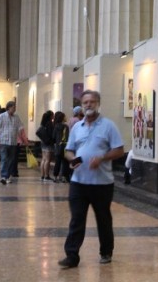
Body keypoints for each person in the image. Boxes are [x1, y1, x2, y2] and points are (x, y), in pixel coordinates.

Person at [59, 90, 125, 269]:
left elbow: (119, 150)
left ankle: (106, 251)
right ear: (82, 105)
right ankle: (71, 256)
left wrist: (102, 158)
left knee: (103, 219)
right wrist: (72, 159)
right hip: (78, 183)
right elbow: (68, 150)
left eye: (92, 102)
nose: (89, 105)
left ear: (98, 104)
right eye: (86, 102)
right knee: (77, 219)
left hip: (102, 184)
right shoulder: (76, 128)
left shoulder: (108, 126)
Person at [0, 101, 28, 184]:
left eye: (15, 107)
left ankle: (8, 176)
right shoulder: (2, 116)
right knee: (4, 159)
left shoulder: (16, 117)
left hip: (13, 142)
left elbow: (20, 128)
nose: (15, 109)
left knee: (11, 160)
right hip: (3, 141)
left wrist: (24, 140)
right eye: (13, 107)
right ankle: (3, 176)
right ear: (9, 107)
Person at [52, 111, 70, 183]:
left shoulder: (56, 126)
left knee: (57, 162)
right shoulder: (66, 126)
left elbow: (53, 136)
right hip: (65, 146)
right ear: (62, 118)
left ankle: (55, 177)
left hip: (58, 146)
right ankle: (64, 177)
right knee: (65, 162)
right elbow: (68, 136)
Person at [37, 110, 55, 182]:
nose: (54, 116)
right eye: (53, 115)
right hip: (48, 143)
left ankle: (42, 175)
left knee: (43, 159)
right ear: (50, 116)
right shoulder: (49, 123)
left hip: (43, 142)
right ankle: (47, 176)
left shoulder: (43, 123)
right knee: (47, 160)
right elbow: (51, 134)